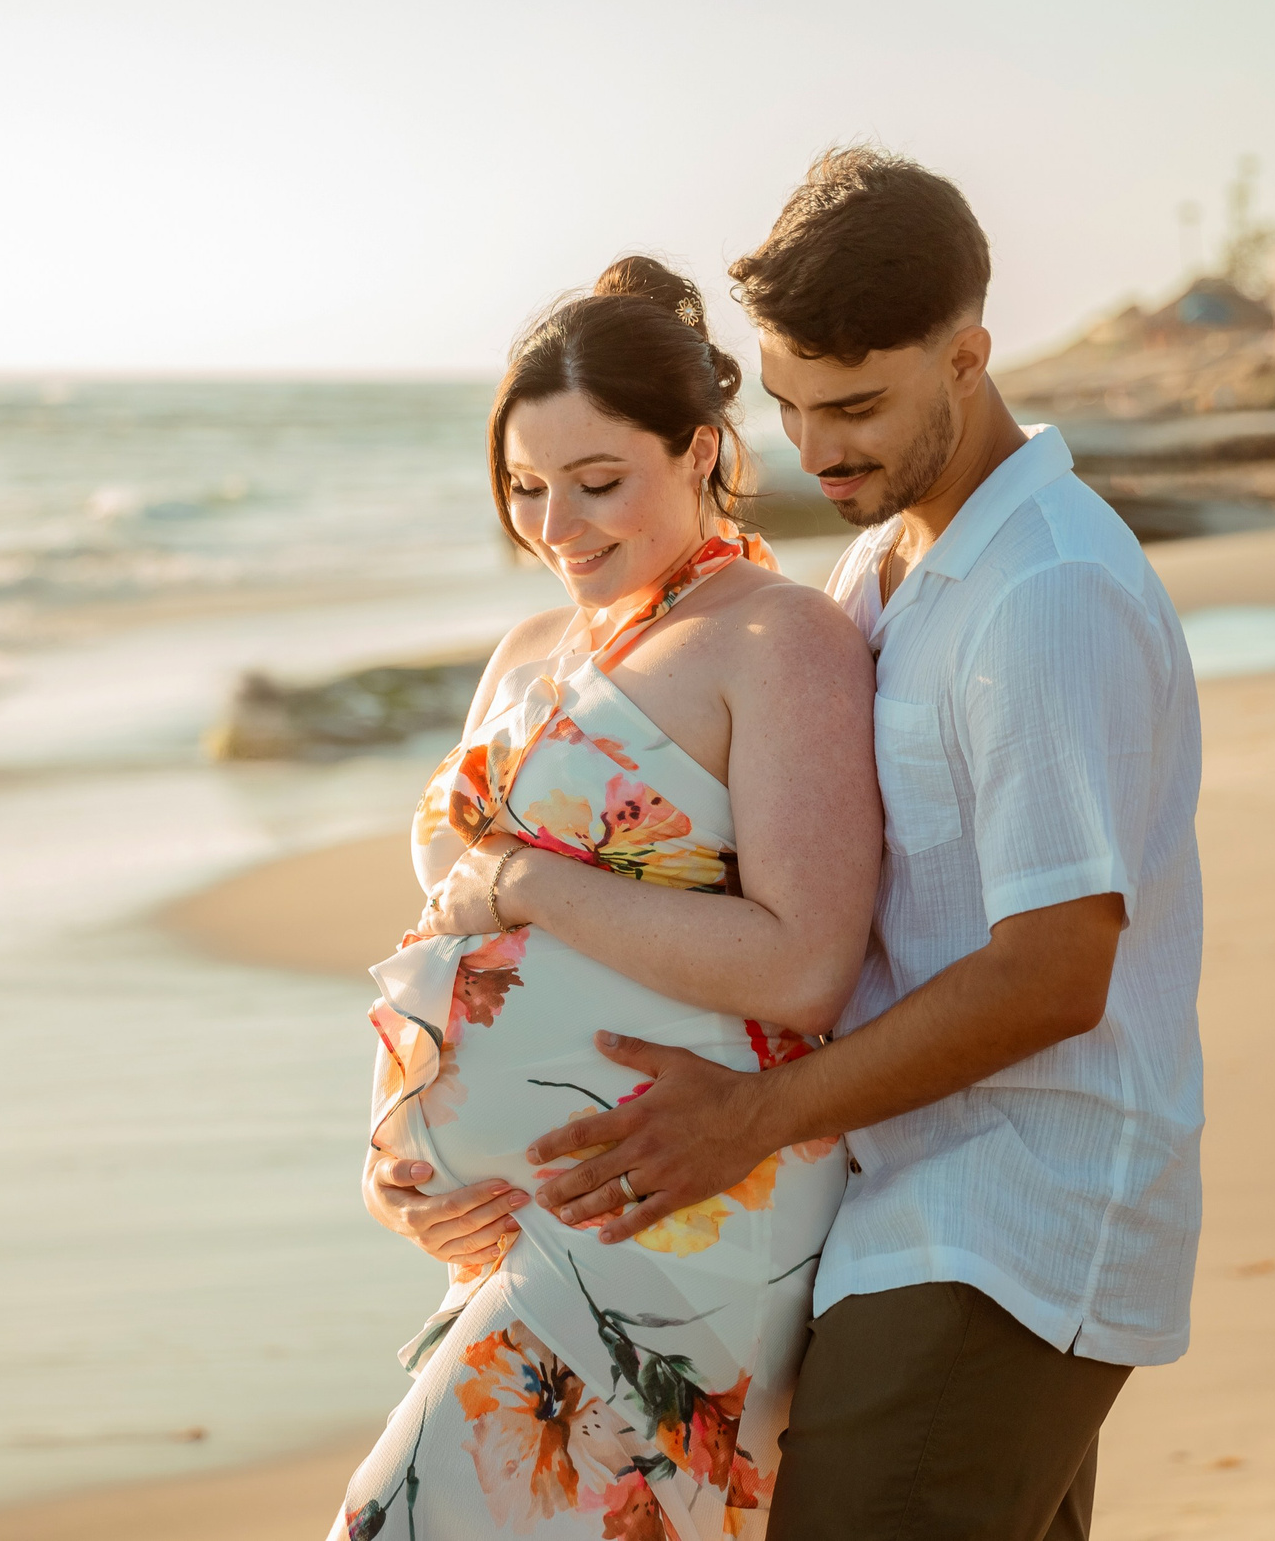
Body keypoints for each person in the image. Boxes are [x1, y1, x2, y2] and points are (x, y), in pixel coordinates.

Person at [515, 149, 1206, 1538]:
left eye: (857, 404)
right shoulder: (881, 564)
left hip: (1013, 1215)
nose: (819, 445)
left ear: (970, 357)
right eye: (785, 401)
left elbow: (1056, 969)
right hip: (897, 1195)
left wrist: (754, 1115)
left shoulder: (1046, 592)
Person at [337, 256, 881, 1540]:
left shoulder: (778, 640)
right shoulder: (529, 651)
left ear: (701, 451)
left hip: (681, 1207)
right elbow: (442, 929)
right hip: (528, 1226)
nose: (557, 525)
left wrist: (529, 878)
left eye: (597, 483)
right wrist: (397, 1169)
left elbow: (803, 963)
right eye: (527, 489)